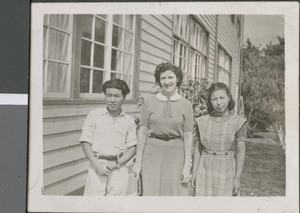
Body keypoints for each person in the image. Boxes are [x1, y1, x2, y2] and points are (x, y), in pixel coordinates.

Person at [132, 62, 194, 196]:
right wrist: (138, 162)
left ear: (177, 79)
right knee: (151, 192)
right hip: (152, 153)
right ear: (159, 81)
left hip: (176, 153)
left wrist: (187, 165)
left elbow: (188, 136)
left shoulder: (186, 104)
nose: (167, 82)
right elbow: (142, 132)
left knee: (175, 194)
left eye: (170, 77)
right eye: (163, 78)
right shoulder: (149, 102)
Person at [79, 79, 137, 196]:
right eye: (109, 95)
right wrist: (97, 165)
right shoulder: (94, 115)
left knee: (116, 206)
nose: (112, 100)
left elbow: (132, 148)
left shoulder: (128, 121)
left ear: (124, 97)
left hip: (118, 168)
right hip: (97, 166)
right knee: (92, 205)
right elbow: (85, 142)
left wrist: (116, 164)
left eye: (117, 96)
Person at [192, 82, 247, 196]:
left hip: (226, 169)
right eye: (214, 99)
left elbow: (241, 152)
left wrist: (237, 178)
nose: (219, 102)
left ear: (228, 97)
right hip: (204, 168)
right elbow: (198, 148)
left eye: (222, 97)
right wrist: (194, 172)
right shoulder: (201, 121)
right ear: (210, 101)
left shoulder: (238, 122)